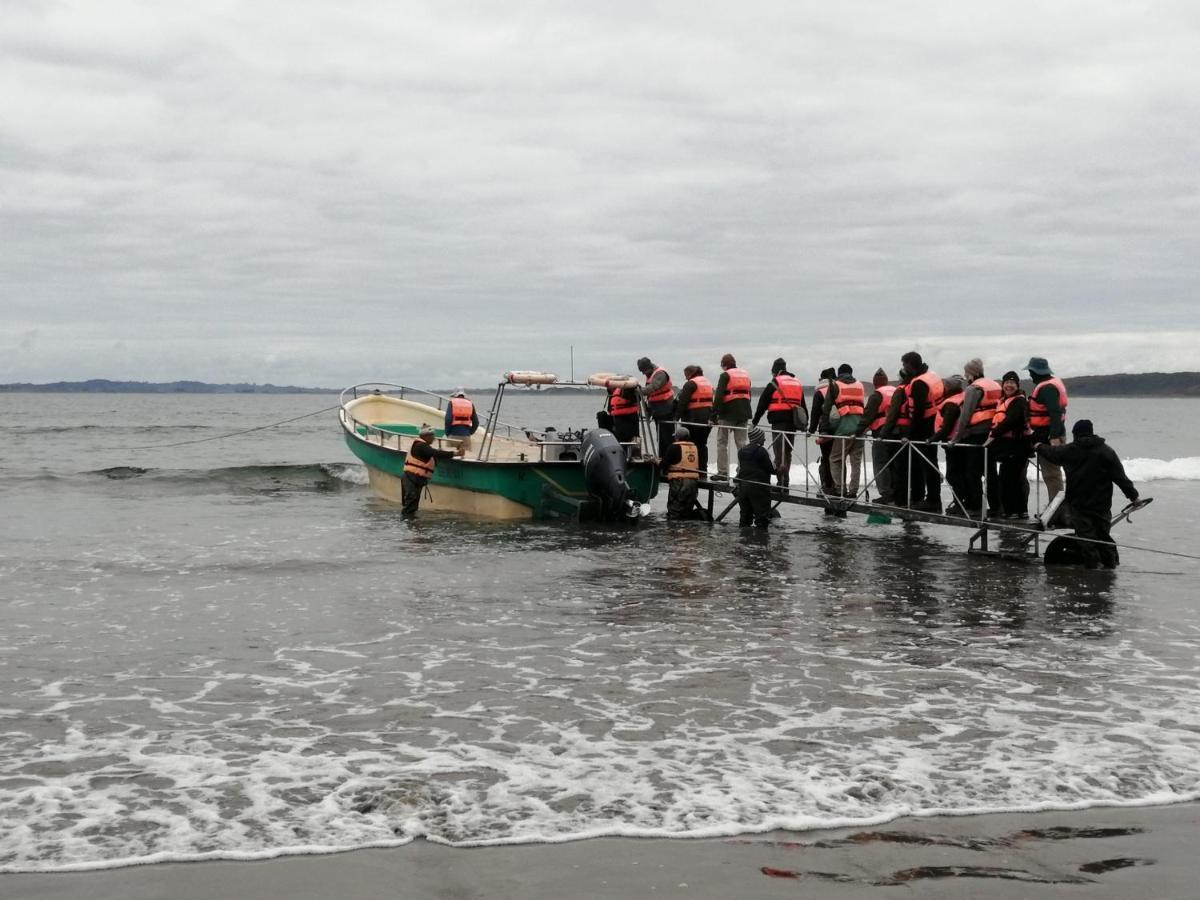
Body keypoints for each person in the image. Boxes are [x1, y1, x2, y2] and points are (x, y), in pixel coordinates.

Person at [1035, 420, 1138, 568]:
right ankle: (1110, 567)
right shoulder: (1107, 451)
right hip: (1101, 504)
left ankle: (1092, 570)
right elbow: (1121, 478)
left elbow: (1052, 454)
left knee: (1086, 539)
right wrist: (1134, 496)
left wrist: (1039, 446)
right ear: (1091, 432)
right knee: (1103, 537)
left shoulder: (1070, 450)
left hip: (1079, 504)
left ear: (1075, 434)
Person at [951, 359, 1001, 517]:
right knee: (991, 472)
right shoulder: (995, 385)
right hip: (993, 434)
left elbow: (965, 415)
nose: (966, 377)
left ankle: (975, 506)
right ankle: (997, 506)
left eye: (967, 373)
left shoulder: (974, 389)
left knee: (972, 472)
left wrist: (956, 438)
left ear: (972, 373)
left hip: (976, 435)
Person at [752, 358, 807, 488]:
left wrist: (755, 422)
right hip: (793, 423)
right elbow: (803, 405)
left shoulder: (775, 382)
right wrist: (806, 423)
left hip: (778, 422)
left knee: (779, 452)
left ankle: (782, 482)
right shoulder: (797, 382)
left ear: (775, 371)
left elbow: (762, 404)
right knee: (787, 452)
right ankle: (785, 480)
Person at [900, 351, 944, 511]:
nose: (903, 368)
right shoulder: (931, 375)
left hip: (925, 426)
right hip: (936, 422)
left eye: (904, 365)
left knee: (925, 464)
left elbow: (918, 411)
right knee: (931, 462)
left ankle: (932, 500)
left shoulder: (919, 383)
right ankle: (930, 498)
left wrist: (909, 434)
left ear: (910, 365)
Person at [986, 371, 1031, 518]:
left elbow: (1010, 421)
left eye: (1012, 383)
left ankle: (1012, 511)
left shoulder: (1019, 401)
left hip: (1016, 445)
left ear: (1017, 385)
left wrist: (993, 435)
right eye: (1006, 383)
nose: (1009, 386)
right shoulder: (1005, 400)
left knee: (1009, 479)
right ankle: (1019, 511)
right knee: (1013, 479)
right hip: (1008, 446)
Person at [1026, 356, 1069, 503]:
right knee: (1052, 473)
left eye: (1031, 371)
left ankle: (1057, 510)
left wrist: (1054, 437)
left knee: (1051, 474)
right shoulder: (1050, 384)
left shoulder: (1047, 388)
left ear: (1036, 371)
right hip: (1049, 432)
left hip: (1049, 435)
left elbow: (1055, 412)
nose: (1030, 375)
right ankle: (1057, 507)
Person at [822, 363, 865, 497]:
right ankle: (853, 491)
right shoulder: (860, 385)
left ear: (839, 374)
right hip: (860, 429)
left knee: (834, 459)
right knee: (855, 461)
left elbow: (826, 408)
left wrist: (824, 430)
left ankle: (840, 488)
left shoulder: (835, 385)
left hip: (844, 428)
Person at [401, 426, 464, 516]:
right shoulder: (421, 446)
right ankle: (407, 522)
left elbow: (434, 454)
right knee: (411, 501)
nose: (433, 438)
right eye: (432, 436)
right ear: (425, 436)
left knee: (413, 504)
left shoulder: (423, 446)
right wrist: (455, 453)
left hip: (415, 478)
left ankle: (410, 524)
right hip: (411, 477)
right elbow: (435, 453)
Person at [856, 368, 896, 504]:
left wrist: (857, 432)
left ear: (875, 383)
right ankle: (897, 492)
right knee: (895, 463)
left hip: (881, 433)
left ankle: (886, 494)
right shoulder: (896, 391)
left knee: (881, 463)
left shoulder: (877, 395)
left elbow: (867, 416)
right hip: (898, 432)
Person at [711, 353, 752, 481]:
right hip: (744, 412)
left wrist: (713, 415)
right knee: (741, 444)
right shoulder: (745, 375)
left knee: (722, 442)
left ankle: (723, 472)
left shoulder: (725, 375)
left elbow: (718, 396)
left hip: (728, 413)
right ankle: (743, 472)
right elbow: (748, 393)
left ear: (724, 365)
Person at [878, 369, 912, 506]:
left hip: (899, 432)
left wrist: (883, 434)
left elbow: (892, 415)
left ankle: (899, 498)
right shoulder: (912, 389)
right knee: (910, 467)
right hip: (913, 432)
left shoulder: (901, 391)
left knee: (898, 467)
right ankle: (912, 498)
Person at [931, 375, 965, 514]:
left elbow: (947, 427)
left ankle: (959, 504)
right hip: (961, 441)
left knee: (953, 474)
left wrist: (932, 439)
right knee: (961, 473)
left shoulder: (951, 403)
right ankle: (962, 502)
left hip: (953, 443)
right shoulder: (963, 397)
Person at [675, 365, 713, 475]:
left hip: (693, 419)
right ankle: (702, 471)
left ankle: (690, 469)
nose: (686, 378)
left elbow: (683, 402)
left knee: (690, 445)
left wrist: (676, 417)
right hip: (707, 418)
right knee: (702, 445)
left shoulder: (691, 384)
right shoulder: (707, 382)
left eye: (686, 375)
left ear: (690, 374)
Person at [735, 425, 774, 527]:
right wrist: (781, 470)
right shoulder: (762, 451)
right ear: (758, 438)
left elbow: (740, 468)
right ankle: (760, 539)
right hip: (759, 487)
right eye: (763, 437)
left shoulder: (741, 451)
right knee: (761, 518)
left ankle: (744, 539)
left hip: (743, 486)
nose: (764, 439)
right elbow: (771, 469)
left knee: (745, 517)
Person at [637, 356, 675, 459]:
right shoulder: (650, 374)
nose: (643, 373)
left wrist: (638, 391)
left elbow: (653, 388)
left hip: (665, 408)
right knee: (661, 437)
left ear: (648, 367)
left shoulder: (660, 373)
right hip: (657, 410)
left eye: (643, 370)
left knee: (667, 437)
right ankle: (662, 458)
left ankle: (669, 460)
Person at [660, 426, 702, 519]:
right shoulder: (694, 447)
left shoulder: (674, 447)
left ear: (677, 437)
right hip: (693, 483)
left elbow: (664, 464)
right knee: (687, 512)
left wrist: (657, 462)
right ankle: (685, 531)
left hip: (679, 483)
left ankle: (674, 531)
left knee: (674, 511)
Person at [808, 367, 837, 495]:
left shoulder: (820, 392)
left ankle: (828, 485)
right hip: (840, 429)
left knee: (826, 458)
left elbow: (815, 412)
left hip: (825, 429)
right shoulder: (839, 388)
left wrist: (811, 429)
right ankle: (840, 486)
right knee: (838, 458)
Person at [602, 381, 641, 446]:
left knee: (629, 439)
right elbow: (610, 409)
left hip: (629, 418)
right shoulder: (614, 393)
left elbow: (636, 397)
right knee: (619, 438)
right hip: (618, 419)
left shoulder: (628, 389)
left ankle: (631, 452)